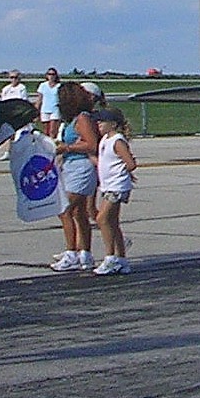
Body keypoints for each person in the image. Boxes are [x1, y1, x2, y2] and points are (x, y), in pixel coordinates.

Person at [50, 81, 101, 271]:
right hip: (71, 166)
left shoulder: (82, 119)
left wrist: (67, 147)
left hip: (81, 167)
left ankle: (71, 252)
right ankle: (85, 254)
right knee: (79, 213)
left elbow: (91, 144)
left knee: (65, 209)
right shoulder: (72, 120)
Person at [92, 108, 137, 274]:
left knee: (101, 219)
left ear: (113, 124)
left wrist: (123, 173)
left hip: (116, 186)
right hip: (108, 185)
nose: (98, 124)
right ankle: (122, 259)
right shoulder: (105, 139)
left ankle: (110, 257)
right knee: (112, 222)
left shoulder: (117, 141)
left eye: (102, 122)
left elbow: (130, 163)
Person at [36, 68, 63, 139]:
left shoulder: (59, 86)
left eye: (53, 74)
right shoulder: (42, 85)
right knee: (45, 131)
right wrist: (36, 110)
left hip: (55, 109)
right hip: (45, 109)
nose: (51, 76)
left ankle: (52, 145)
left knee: (52, 130)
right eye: (49, 74)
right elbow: (39, 99)